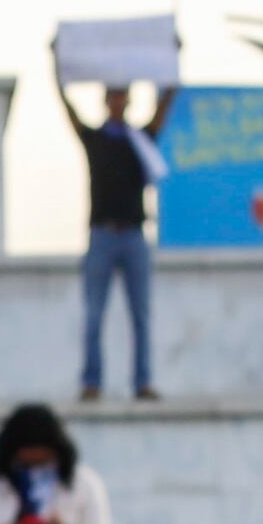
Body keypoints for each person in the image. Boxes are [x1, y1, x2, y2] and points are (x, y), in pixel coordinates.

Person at [66, 77, 164, 401]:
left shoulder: (140, 141)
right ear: (107, 101)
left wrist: (173, 63)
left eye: (123, 95)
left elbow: (164, 109)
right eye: (114, 96)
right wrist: (58, 67)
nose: (118, 101)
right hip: (102, 235)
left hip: (134, 235)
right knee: (94, 314)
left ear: (128, 101)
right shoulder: (95, 139)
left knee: (141, 315)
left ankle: (142, 382)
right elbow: (68, 111)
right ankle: (91, 382)